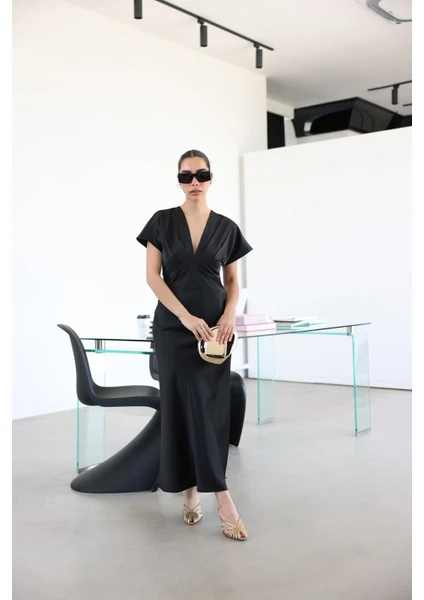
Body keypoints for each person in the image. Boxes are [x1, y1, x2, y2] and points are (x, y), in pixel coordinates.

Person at [136, 149, 253, 541]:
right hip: (174, 329)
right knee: (182, 409)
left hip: (217, 331)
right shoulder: (161, 222)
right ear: (179, 181)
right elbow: (153, 277)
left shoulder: (226, 228)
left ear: (211, 178)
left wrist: (230, 313)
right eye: (186, 176)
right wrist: (185, 317)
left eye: (201, 174)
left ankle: (209, 492)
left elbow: (232, 281)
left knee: (210, 411)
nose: (194, 182)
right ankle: (207, 495)